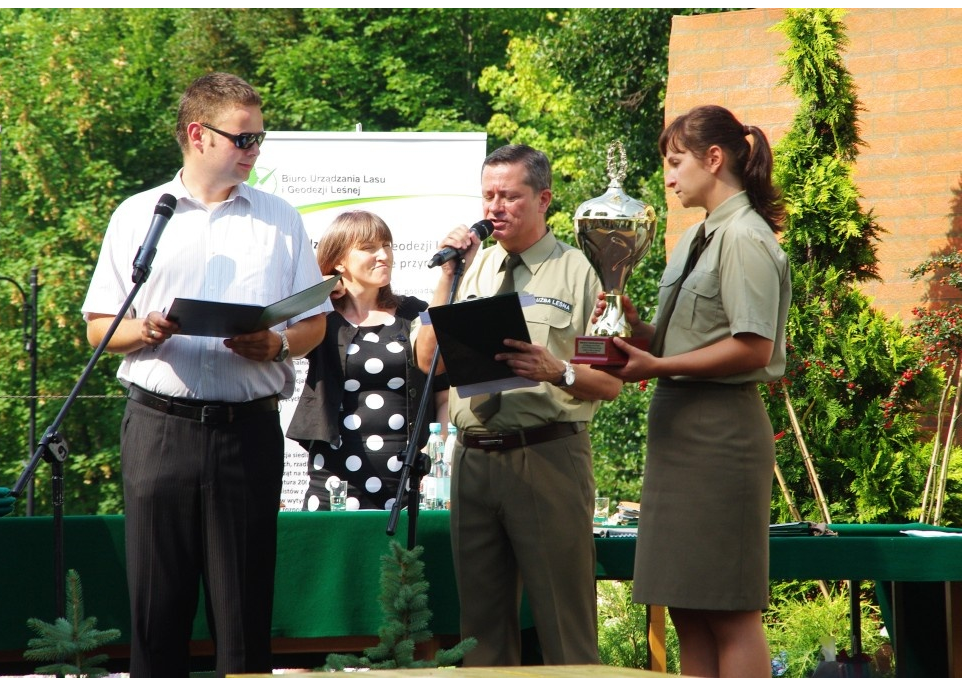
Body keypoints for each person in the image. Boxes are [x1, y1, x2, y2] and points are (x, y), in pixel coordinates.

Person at [81, 72, 329, 677]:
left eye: (260, 138)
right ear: (199, 134)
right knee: (156, 608)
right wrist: (147, 330)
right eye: (244, 138)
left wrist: (275, 344)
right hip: (159, 430)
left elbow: (315, 326)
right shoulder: (141, 214)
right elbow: (98, 329)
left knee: (243, 611)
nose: (254, 151)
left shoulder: (280, 219)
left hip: (247, 434)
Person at [414, 144, 623, 666]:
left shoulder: (580, 272)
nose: (495, 207)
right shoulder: (470, 269)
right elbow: (427, 362)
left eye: (510, 196)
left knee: (563, 624)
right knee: (479, 634)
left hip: (547, 457)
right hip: (474, 459)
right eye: (488, 195)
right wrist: (447, 274)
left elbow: (610, 383)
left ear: (543, 198)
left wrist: (558, 369)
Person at [602, 105, 791, 677]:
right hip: (681, 435)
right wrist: (635, 331)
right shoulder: (694, 240)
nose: (668, 176)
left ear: (715, 159)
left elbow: (752, 348)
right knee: (686, 605)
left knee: (729, 610)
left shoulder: (745, 237)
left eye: (676, 161)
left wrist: (656, 366)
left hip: (720, 437)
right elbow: (685, 339)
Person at [287, 210, 448, 511]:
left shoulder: (414, 312)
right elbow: (278, 331)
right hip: (333, 481)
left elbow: (442, 391)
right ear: (338, 260)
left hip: (407, 476)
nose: (383, 255)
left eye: (386, 245)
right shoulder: (320, 318)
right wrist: (321, 291)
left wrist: (441, 461)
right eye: (369, 247)